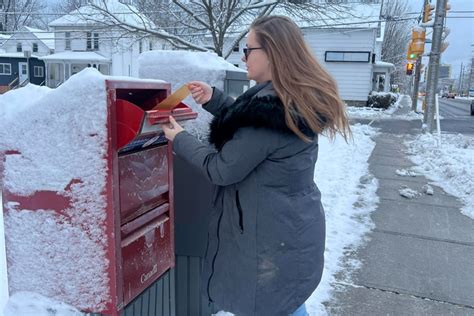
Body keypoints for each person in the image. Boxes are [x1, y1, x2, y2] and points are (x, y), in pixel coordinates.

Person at [161, 15, 350, 316]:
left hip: (270, 241)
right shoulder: (288, 99)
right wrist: (215, 100)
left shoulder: (270, 115)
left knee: (271, 305)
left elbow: (222, 169)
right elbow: (249, 120)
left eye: (248, 49)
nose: (243, 56)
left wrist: (179, 138)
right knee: (285, 302)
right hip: (289, 230)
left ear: (272, 52)